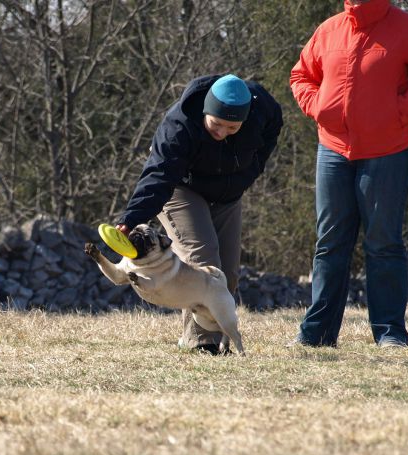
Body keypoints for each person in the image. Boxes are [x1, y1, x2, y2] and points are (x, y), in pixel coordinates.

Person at [288, 0, 408, 348]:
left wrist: (399, 112)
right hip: (332, 149)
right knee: (329, 244)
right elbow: (300, 75)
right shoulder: (329, 29)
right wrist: (319, 107)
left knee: (383, 243)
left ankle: (390, 334)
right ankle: (316, 335)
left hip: (389, 151)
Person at [114, 73, 283, 354]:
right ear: (206, 110)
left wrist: (251, 171)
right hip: (181, 187)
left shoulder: (264, 109)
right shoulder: (178, 127)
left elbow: (271, 134)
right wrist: (131, 219)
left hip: (228, 193)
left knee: (224, 276)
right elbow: (159, 175)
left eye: (232, 127)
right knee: (202, 258)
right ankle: (203, 344)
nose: (222, 133)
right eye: (216, 124)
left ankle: (215, 337)